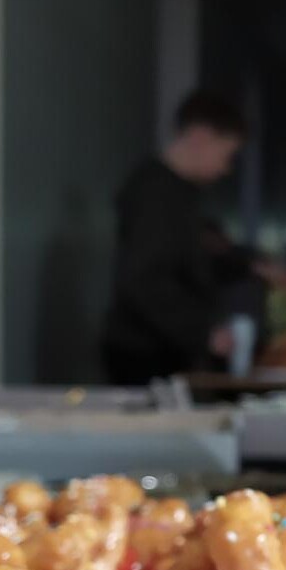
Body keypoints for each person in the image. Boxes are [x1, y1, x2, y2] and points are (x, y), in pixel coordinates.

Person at [103, 90, 246, 384]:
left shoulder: (179, 195)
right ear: (201, 136)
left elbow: (183, 266)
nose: (225, 168)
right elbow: (143, 279)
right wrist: (203, 332)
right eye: (226, 155)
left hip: (156, 348)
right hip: (144, 353)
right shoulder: (156, 194)